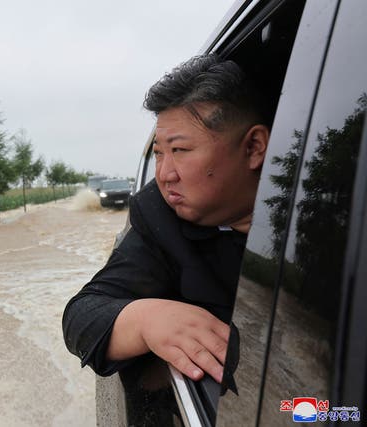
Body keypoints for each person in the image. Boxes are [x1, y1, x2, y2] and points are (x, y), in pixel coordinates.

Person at [62, 54, 270, 384]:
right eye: (159, 153)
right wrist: (145, 319)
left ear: (254, 148)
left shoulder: (326, 217)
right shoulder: (160, 218)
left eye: (180, 151)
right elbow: (82, 317)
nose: (164, 174)